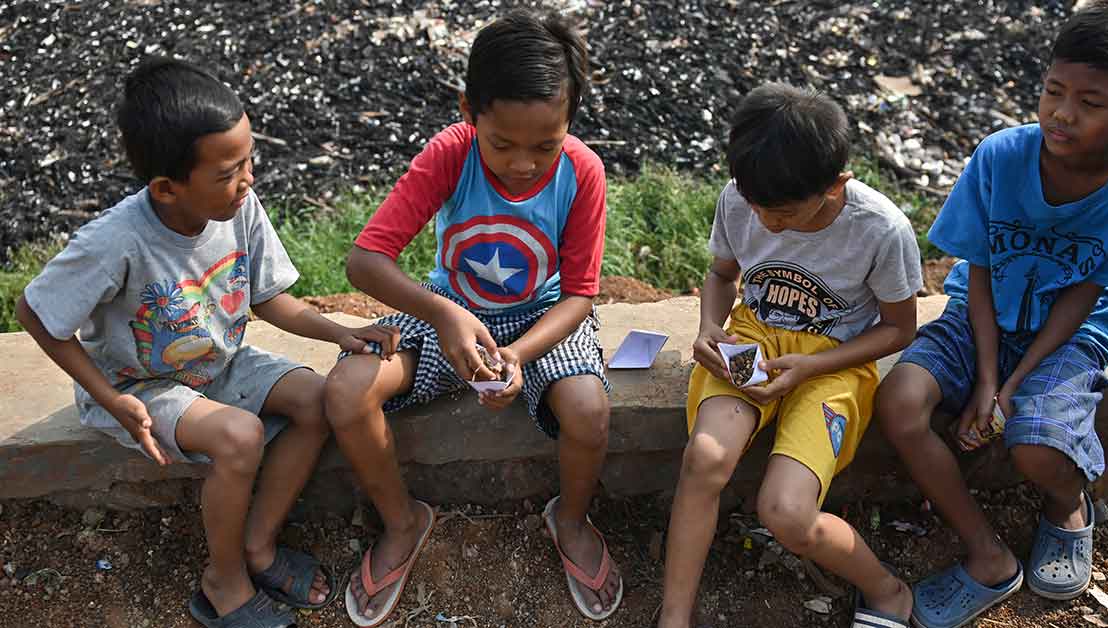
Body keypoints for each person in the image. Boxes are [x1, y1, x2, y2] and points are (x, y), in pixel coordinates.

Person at [15, 58, 398, 628]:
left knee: (318, 400)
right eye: (227, 172)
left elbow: (269, 298)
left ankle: (258, 547)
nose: (247, 181)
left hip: (220, 361)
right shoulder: (114, 242)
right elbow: (36, 312)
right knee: (240, 437)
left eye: (248, 162)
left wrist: (341, 330)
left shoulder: (237, 206)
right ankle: (223, 581)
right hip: (138, 384)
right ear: (167, 188)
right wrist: (109, 396)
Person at [873, 3, 1108, 627]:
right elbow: (982, 271)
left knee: (1037, 448)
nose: (1062, 114)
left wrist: (1014, 389)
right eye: (1052, 91)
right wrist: (988, 381)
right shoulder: (1002, 157)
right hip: (978, 317)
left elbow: (1086, 292)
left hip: (1071, 337)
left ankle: (1068, 505)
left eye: (1090, 103)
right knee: (899, 402)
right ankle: (987, 554)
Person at [322, 10, 621, 626]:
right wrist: (446, 314)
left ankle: (569, 518)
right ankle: (403, 522)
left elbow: (580, 296)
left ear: (570, 123)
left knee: (589, 410)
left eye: (545, 144)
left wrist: (518, 356)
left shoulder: (582, 171)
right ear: (468, 111)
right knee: (348, 391)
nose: (522, 164)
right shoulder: (450, 154)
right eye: (503, 144)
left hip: (542, 317)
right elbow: (364, 261)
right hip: (446, 307)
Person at [657, 83, 924, 628]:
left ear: (835, 185)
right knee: (705, 459)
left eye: (781, 213)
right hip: (753, 341)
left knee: (785, 512)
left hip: (836, 361)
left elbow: (899, 330)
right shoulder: (741, 199)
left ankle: (887, 589)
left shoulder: (880, 230)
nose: (765, 223)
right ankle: (675, 615)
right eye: (754, 207)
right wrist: (710, 325)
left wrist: (810, 367)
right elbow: (722, 275)